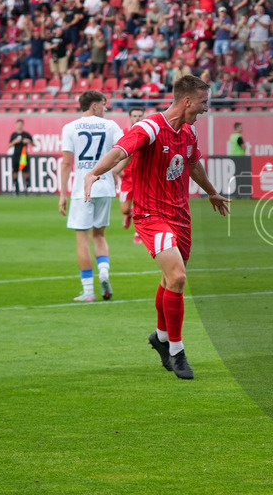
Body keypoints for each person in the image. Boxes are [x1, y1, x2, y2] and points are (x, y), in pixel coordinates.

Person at [82, 75, 231, 380]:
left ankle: (160, 337)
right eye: (203, 102)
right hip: (151, 215)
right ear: (187, 100)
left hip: (181, 215)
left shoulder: (189, 133)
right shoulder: (150, 127)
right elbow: (122, 150)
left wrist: (211, 191)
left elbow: (192, 164)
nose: (206, 108)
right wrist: (94, 173)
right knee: (177, 276)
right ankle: (176, 351)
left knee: (169, 279)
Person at [59, 91, 124, 302]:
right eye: (104, 105)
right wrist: (115, 171)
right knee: (100, 235)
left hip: (81, 190)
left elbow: (67, 163)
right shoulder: (111, 126)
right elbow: (127, 151)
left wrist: (62, 195)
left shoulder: (70, 128)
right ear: (95, 106)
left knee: (82, 241)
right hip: (104, 187)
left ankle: (88, 291)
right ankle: (104, 273)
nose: (106, 109)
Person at [119, 107, 145, 243]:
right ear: (130, 117)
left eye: (140, 115)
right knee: (124, 209)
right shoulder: (123, 133)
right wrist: (118, 169)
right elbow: (117, 152)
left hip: (142, 176)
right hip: (127, 177)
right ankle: (129, 214)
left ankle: (138, 233)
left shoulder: (148, 133)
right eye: (135, 116)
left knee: (141, 206)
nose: (137, 118)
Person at [8, 119, 33, 195]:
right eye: (18, 124)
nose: (19, 126)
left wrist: (28, 141)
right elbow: (9, 145)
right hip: (16, 155)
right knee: (15, 171)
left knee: (25, 171)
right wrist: (14, 142)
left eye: (21, 124)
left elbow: (33, 144)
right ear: (16, 125)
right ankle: (16, 188)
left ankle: (27, 188)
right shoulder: (13, 135)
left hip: (24, 156)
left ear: (23, 125)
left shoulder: (26, 134)